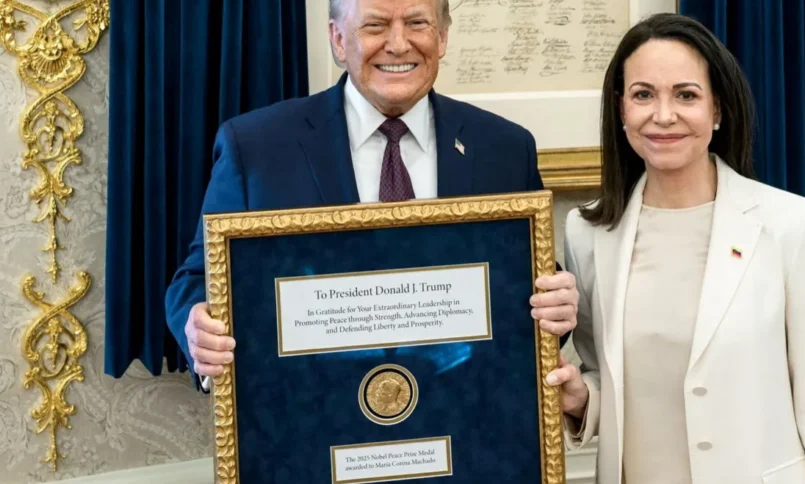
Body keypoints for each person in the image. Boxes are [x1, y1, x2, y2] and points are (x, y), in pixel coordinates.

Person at [163, 0, 579, 392]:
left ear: (442, 37)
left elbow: (527, 285)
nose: (398, 44)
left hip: (464, 413)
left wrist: (556, 308)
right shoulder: (256, 148)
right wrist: (199, 328)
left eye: (417, 23)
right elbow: (198, 280)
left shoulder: (504, 148)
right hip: (309, 417)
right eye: (375, 25)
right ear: (338, 39)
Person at [543, 13, 805, 484]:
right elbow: (608, 379)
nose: (663, 115)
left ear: (717, 110)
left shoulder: (790, 225)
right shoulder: (588, 232)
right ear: (621, 110)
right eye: (643, 95)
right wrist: (579, 399)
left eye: (686, 95)